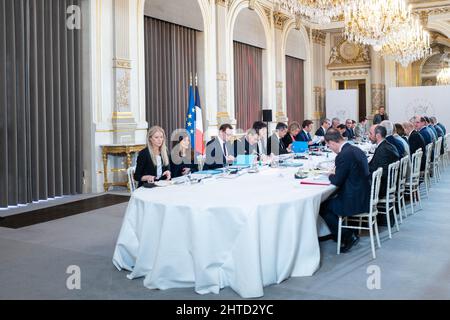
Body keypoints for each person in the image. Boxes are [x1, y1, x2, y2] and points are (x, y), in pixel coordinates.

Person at [319, 128, 370, 253]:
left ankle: (347, 236)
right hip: (363, 194)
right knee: (330, 200)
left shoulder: (343, 155)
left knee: (323, 206)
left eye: (329, 146)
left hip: (354, 200)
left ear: (332, 142)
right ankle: (343, 232)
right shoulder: (355, 149)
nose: (331, 149)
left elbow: (336, 181)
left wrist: (329, 174)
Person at [368, 125, 400, 198]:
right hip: (390, 182)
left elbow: (380, 172)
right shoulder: (388, 145)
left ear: (378, 135)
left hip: (383, 187)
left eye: (371, 134)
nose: (369, 136)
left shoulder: (383, 150)